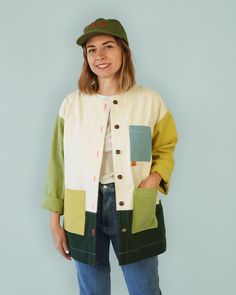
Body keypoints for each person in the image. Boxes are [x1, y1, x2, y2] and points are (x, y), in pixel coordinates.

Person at [41, 17, 178, 295]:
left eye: (108, 46)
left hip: (134, 205)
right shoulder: (72, 104)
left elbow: (166, 146)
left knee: (145, 290)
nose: (99, 56)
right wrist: (55, 221)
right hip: (83, 209)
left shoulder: (149, 101)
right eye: (91, 50)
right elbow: (58, 163)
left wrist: (155, 177)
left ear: (123, 51)